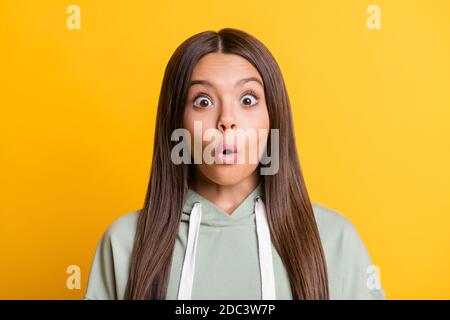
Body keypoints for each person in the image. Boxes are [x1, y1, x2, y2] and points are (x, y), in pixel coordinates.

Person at [84, 28, 386, 300]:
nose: (226, 120)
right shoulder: (123, 243)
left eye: (247, 99)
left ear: (273, 117)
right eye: (203, 101)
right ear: (177, 123)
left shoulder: (335, 239)